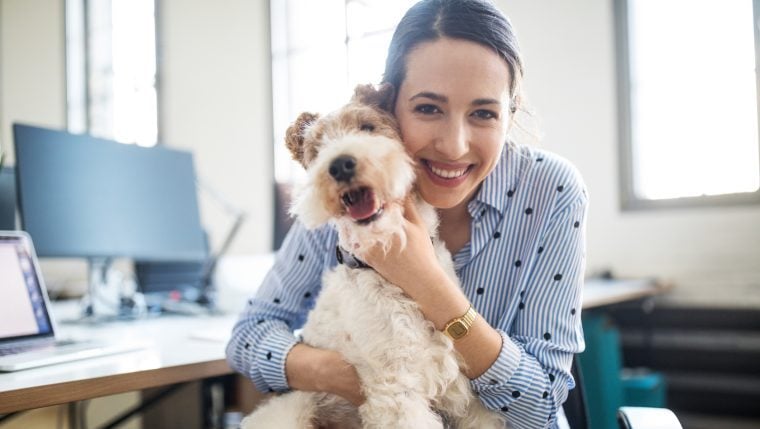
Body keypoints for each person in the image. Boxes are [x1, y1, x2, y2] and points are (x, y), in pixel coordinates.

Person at [226, 0, 587, 427]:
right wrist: (358, 379)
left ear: (512, 111)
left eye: (484, 113)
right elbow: (249, 338)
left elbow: (541, 403)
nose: (454, 146)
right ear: (390, 104)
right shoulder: (350, 192)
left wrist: (425, 280)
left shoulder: (551, 189)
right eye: (428, 108)